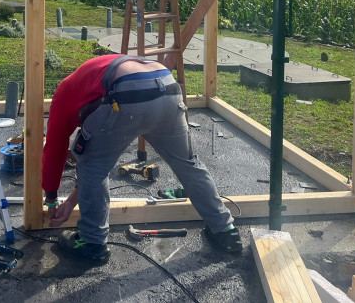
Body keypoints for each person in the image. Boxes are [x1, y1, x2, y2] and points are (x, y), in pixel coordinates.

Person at [42, 53, 242, 262]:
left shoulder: (64, 93)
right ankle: (226, 230)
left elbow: (56, 147)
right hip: (168, 89)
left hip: (127, 94)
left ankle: (91, 243)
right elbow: (96, 157)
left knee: (92, 167)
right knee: (189, 164)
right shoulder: (96, 73)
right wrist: (71, 202)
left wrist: (52, 198)